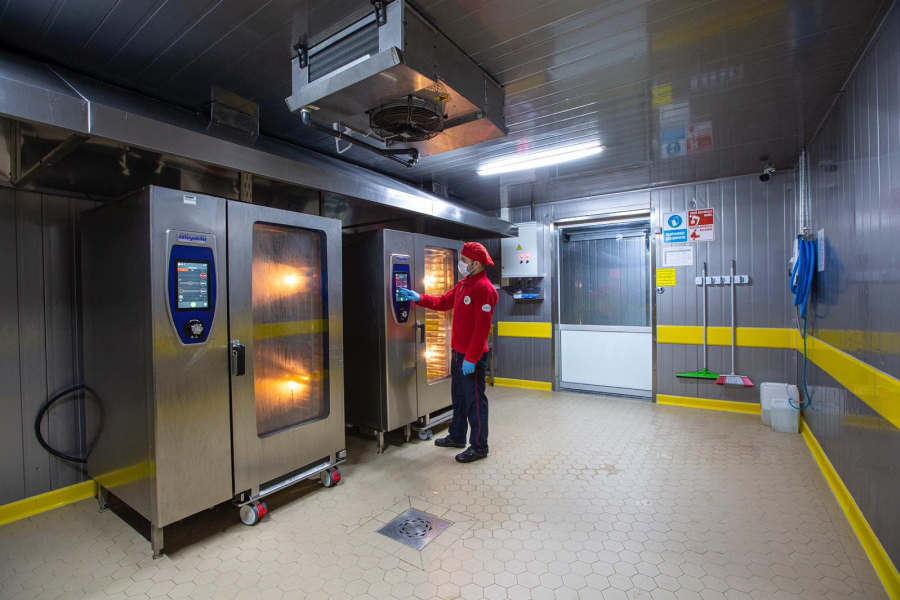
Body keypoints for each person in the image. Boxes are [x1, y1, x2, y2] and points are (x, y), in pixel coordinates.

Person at [397, 242, 498, 463]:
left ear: (475, 264)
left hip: (472, 357)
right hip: (458, 353)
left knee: (475, 402)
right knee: (459, 398)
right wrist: (419, 297)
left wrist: (471, 358)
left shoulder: (484, 289)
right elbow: (443, 302)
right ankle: (457, 436)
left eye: (463, 260)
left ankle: (479, 446)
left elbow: (482, 329)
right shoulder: (463, 285)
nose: (460, 264)